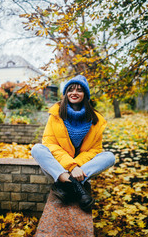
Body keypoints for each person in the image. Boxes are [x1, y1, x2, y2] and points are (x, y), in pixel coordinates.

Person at [31, 75, 115, 212]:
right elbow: (50, 144)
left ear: (85, 95)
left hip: (82, 169)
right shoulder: (56, 114)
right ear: (66, 93)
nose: (74, 93)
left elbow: (95, 150)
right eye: (71, 89)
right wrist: (71, 166)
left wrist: (77, 166)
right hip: (58, 168)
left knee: (109, 157)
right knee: (37, 149)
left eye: (79, 90)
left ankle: (65, 186)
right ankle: (76, 187)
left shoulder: (96, 120)